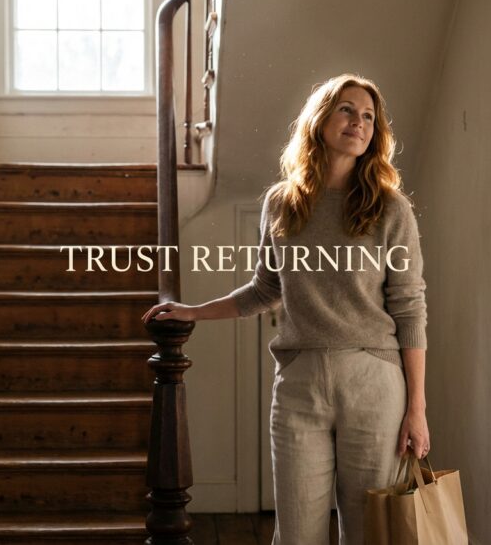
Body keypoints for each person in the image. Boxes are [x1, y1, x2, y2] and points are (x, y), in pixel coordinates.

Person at [141, 73, 429, 545]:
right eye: (347, 110)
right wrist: (193, 312)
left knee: (368, 531)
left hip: (374, 380)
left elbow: (410, 309)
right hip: (299, 380)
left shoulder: (390, 209)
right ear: (320, 120)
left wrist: (416, 408)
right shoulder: (282, 204)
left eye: (368, 117)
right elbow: (263, 289)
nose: (358, 122)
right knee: (296, 532)